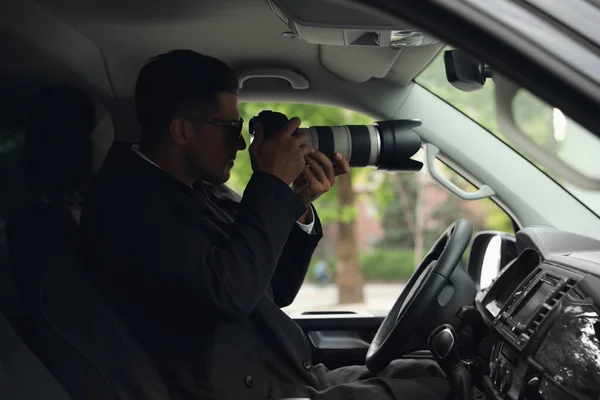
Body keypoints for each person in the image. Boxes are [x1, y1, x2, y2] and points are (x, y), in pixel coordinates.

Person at [80, 50, 449, 400]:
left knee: (430, 371)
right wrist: (270, 184)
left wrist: (297, 202)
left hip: (283, 379)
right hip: (240, 392)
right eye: (230, 127)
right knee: (446, 392)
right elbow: (229, 294)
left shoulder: (197, 190)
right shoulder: (130, 206)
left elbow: (272, 288)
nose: (240, 143)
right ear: (181, 131)